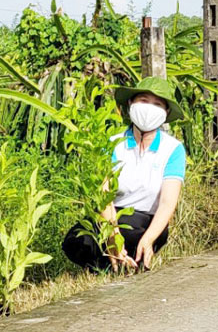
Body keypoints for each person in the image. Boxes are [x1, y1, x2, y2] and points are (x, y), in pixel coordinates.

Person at [61, 76, 186, 272]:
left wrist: (148, 239)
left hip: (147, 222)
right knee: (76, 240)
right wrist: (113, 237)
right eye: (143, 101)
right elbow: (104, 196)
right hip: (111, 217)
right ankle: (112, 264)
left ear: (166, 112)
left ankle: (128, 258)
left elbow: (167, 203)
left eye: (157, 104)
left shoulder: (172, 149)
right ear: (131, 103)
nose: (149, 108)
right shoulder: (114, 143)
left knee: (133, 232)